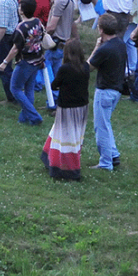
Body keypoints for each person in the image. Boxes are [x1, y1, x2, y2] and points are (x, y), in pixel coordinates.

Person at [43, 38, 91, 181]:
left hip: (67, 108)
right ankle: (52, 159)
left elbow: (54, 85)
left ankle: (65, 168)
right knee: (74, 136)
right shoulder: (86, 67)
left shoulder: (65, 69)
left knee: (64, 137)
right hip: (82, 107)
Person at [0, 0, 47, 125]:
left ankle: (35, 116)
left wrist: (4, 62)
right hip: (37, 60)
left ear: (22, 11)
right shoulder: (38, 22)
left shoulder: (21, 28)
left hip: (25, 62)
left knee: (15, 89)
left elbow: (15, 49)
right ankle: (24, 118)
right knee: (29, 89)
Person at [88, 13, 127, 171]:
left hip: (104, 91)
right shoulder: (120, 44)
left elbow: (88, 67)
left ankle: (105, 163)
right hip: (117, 90)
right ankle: (113, 154)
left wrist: (97, 46)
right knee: (106, 123)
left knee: (101, 127)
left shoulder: (104, 49)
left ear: (101, 29)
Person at [44, 0, 77, 83]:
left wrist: (41, 35)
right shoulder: (69, 0)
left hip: (55, 42)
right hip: (62, 43)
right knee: (57, 72)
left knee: (46, 67)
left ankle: (52, 94)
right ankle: (57, 95)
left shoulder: (60, 2)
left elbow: (52, 27)